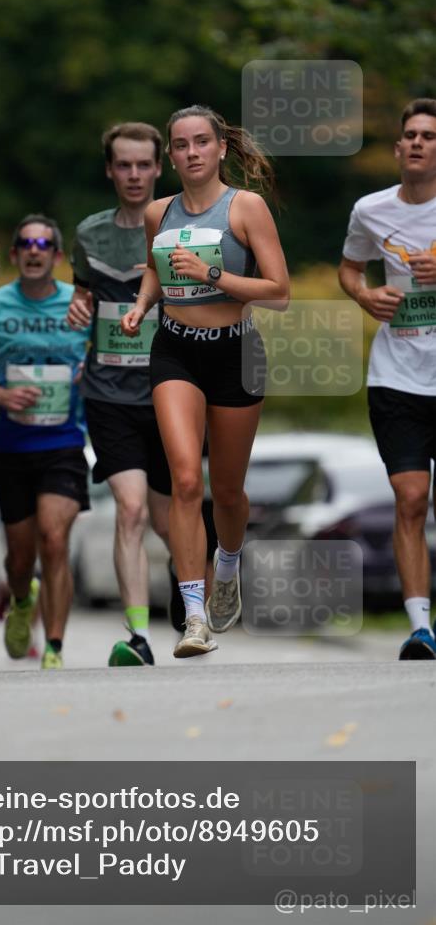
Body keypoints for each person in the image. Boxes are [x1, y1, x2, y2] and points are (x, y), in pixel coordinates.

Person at [121, 104, 289, 658]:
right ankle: (194, 617)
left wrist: (214, 274)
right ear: (170, 155)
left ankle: (229, 564)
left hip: (237, 354)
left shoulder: (245, 208)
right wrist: (142, 304)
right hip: (175, 353)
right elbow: (154, 267)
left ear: (220, 148)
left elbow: (279, 291)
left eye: (201, 143)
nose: (191, 153)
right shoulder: (157, 213)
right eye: (181, 145)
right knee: (185, 481)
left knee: (229, 492)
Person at [0, 215, 90, 670]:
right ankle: (19, 599)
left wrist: (89, 370)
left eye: (44, 244)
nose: (35, 251)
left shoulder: (80, 306)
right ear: (14, 255)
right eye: (26, 244)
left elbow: (110, 353)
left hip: (65, 443)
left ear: (56, 256)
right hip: (11, 448)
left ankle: (53, 646)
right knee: (20, 559)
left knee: (55, 540)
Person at [67, 122, 171, 667]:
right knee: (129, 511)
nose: (134, 175)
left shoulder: (181, 225)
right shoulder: (89, 234)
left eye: (143, 165)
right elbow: (84, 295)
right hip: (109, 393)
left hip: (173, 393)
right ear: (110, 170)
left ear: (159, 168)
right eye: (123, 165)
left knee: (168, 521)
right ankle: (138, 637)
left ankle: (191, 595)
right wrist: (79, 306)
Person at [338, 98, 436, 660]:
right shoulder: (370, 211)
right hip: (396, 374)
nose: (418, 142)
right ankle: (420, 627)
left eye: (429, 135)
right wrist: (365, 294)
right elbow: (349, 269)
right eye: (410, 135)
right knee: (410, 498)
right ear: (398, 148)